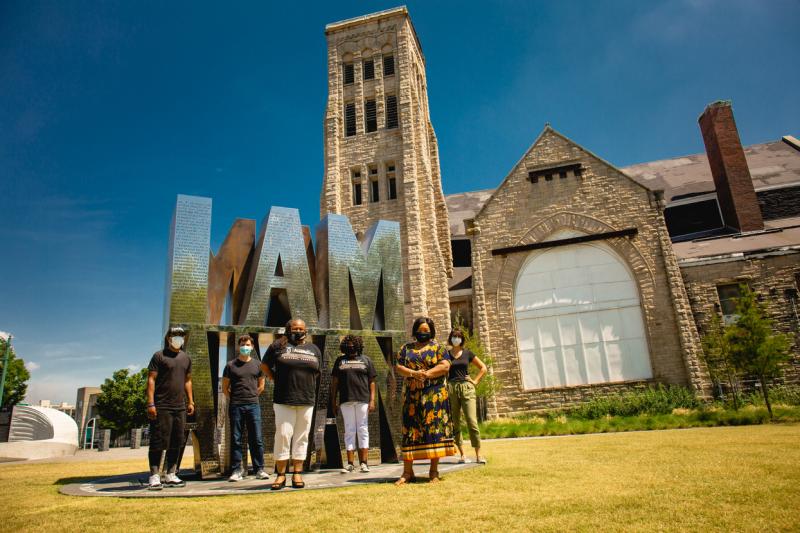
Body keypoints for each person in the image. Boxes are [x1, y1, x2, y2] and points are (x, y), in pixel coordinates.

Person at [394, 317, 456, 485]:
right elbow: (398, 367)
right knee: (410, 431)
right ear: (415, 331)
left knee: (434, 430)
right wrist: (414, 374)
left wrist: (426, 374)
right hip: (412, 397)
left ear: (431, 331)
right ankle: (407, 472)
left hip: (434, 396)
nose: (423, 333)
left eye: (426, 331)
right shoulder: (405, 349)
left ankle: (434, 472)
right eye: (420, 331)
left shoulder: (438, 348)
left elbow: (445, 366)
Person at [262, 318, 323, 490]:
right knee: (283, 435)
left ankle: (297, 473)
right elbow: (264, 366)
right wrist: (274, 378)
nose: (298, 331)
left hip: (306, 399)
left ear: (306, 330)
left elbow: (317, 371)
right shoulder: (278, 346)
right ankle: (281, 475)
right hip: (284, 399)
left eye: (301, 328)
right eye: (295, 328)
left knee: (302, 436)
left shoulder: (314, 349)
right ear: (288, 329)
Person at [146, 326, 195, 490]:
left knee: (177, 440)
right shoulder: (159, 356)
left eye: (181, 335)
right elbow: (151, 379)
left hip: (179, 406)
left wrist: (190, 401)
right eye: (175, 335)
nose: (179, 338)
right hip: (161, 405)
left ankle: (171, 473)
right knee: (158, 441)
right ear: (169, 338)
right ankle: (154, 475)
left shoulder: (186, 358)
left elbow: (188, 380)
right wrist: (151, 403)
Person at [222, 334, 269, 481]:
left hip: (253, 405)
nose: (245, 347)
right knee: (236, 439)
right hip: (236, 406)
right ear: (238, 346)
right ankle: (236, 471)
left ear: (252, 347)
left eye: (248, 345)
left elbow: (261, 386)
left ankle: (259, 469)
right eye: (243, 345)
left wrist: (252, 396)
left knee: (256, 438)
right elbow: (225, 388)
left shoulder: (258, 365)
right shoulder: (230, 365)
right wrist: (236, 398)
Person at [330, 335, 377, 474]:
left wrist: (372, 400)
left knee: (362, 429)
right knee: (349, 430)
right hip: (346, 400)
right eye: (348, 344)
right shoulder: (340, 360)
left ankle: (364, 463)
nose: (351, 346)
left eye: (353, 344)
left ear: (358, 345)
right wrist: (333, 400)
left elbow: (372, 382)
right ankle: (350, 463)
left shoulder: (366, 360)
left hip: (363, 399)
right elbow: (335, 383)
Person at [446, 327, 488, 464]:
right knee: (455, 423)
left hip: (466, 387)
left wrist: (475, 381)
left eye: (458, 336)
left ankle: (478, 454)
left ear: (462, 339)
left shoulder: (468, 353)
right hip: (452, 388)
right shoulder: (446, 355)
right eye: (453, 336)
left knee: (472, 421)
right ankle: (462, 454)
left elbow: (483, 368)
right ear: (450, 338)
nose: (456, 339)